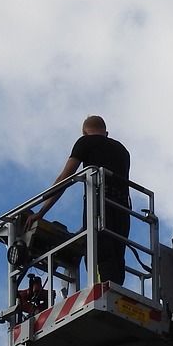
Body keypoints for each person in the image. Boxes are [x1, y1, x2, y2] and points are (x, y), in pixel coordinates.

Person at [29, 115, 131, 286]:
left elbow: (64, 178)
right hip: (123, 210)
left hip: (99, 206)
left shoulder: (85, 142)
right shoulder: (122, 150)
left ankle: (102, 292)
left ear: (84, 132)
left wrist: (41, 211)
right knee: (116, 256)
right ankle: (115, 290)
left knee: (97, 254)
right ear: (106, 133)